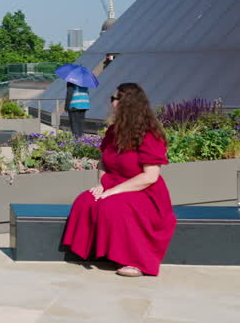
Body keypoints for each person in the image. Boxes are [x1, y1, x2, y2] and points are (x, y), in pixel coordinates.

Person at [61, 82, 176, 277]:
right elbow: (103, 162)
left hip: (143, 191)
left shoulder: (149, 134)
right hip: (114, 182)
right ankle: (96, 251)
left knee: (113, 206)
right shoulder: (114, 131)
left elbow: (150, 176)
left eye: (114, 98)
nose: (111, 102)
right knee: (86, 200)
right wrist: (101, 184)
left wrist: (114, 191)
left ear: (127, 103)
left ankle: (135, 260)